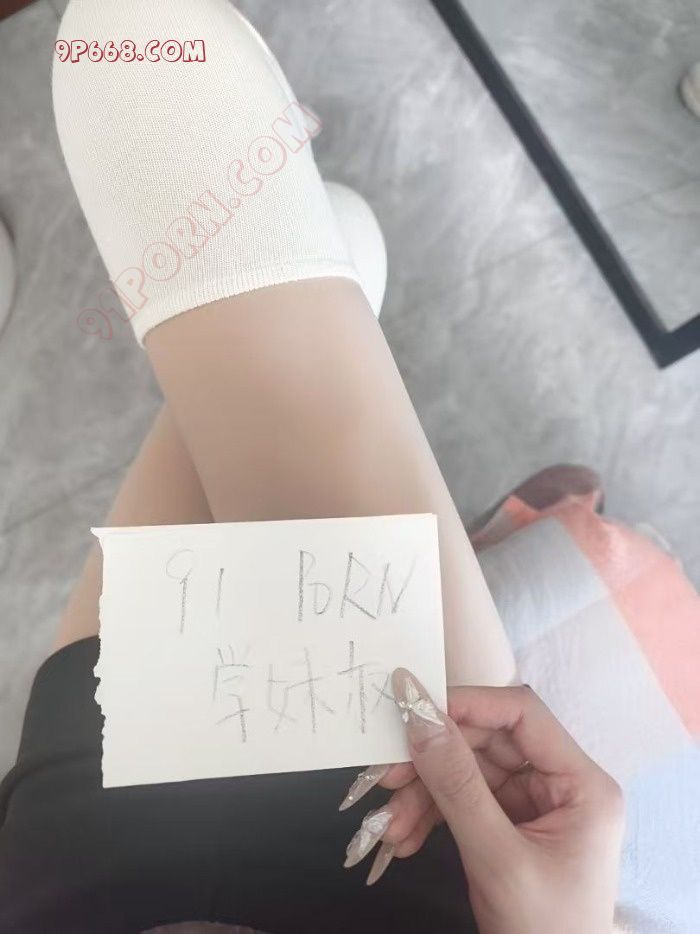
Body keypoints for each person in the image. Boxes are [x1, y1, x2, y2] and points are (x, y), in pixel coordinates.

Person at [0, 2, 623, 931]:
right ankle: (339, 270)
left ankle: (341, 268)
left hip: (87, 872)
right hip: (412, 852)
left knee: (139, 58)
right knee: (137, 57)